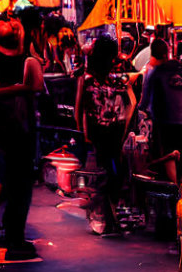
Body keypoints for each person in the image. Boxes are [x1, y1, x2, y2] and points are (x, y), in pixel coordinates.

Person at [0, 18, 44, 261]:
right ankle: (15, 240)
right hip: (12, 130)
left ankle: (9, 232)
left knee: (13, 184)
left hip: (8, 129)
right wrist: (18, 88)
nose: (10, 23)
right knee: (19, 187)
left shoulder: (19, 59)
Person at [75, 35, 136, 235]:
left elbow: (79, 109)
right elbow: (132, 102)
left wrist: (82, 132)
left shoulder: (95, 78)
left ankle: (107, 216)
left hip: (101, 131)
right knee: (111, 175)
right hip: (107, 132)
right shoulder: (102, 79)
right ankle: (108, 218)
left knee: (111, 175)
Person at [138, 38, 182, 184]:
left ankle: (175, 191)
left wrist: (139, 109)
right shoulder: (179, 69)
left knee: (169, 154)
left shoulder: (154, 74)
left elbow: (144, 102)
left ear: (152, 55)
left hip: (165, 122)